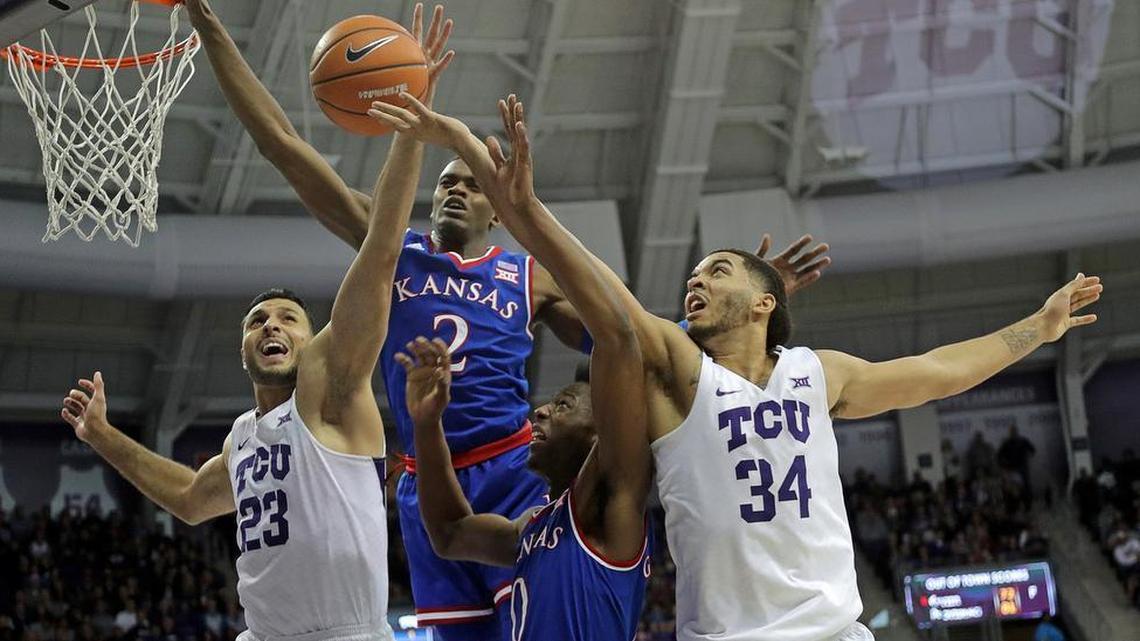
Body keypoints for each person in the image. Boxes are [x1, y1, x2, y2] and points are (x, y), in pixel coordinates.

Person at [183, 2, 830, 636]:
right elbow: (283, 146)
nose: (456, 189)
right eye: (445, 183)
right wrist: (209, 25)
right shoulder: (394, 252)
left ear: (498, 208)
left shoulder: (528, 278)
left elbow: (634, 348)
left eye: (471, 183)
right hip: (425, 482)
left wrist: (742, 315)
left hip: (512, 472)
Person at [368, 90, 1105, 641]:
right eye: (694, 273)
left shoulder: (820, 373)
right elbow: (615, 316)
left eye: (718, 270)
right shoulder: (680, 373)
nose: (697, 280)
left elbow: (939, 369)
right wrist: (522, 209)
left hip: (837, 627)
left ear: (762, 301)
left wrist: (1035, 330)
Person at [54, 17, 432, 631]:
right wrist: (101, 435)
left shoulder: (333, 387)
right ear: (244, 347)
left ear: (314, 341)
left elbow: (384, 245)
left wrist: (411, 130)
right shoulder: (243, 436)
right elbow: (188, 500)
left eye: (288, 318)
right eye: (258, 320)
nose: (271, 326)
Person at [997, 424, 1037, 491]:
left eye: (1014, 431)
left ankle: (1028, 499)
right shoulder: (1006, 443)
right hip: (1011, 468)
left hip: (1022, 466)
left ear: (1017, 431)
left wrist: (1029, 455)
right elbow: (999, 455)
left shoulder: (1023, 440)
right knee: (1013, 486)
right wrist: (1003, 465)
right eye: (1011, 431)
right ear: (1009, 432)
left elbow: (1032, 450)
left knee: (1026, 483)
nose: (1013, 433)